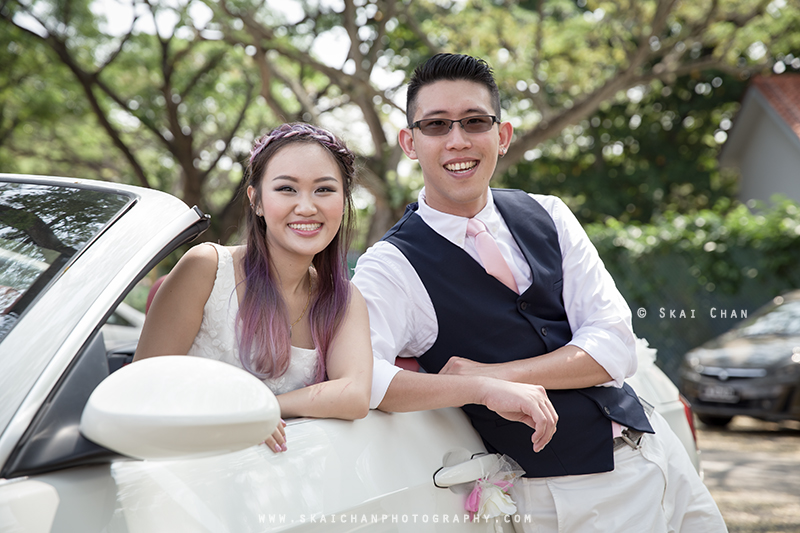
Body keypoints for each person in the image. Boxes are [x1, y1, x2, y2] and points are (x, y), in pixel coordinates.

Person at [352, 53, 726, 531]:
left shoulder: (548, 212)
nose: (458, 140)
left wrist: (494, 376)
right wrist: (480, 391)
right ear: (410, 142)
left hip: (658, 452)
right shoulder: (391, 264)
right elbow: (367, 379)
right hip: (567, 494)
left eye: (474, 121)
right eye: (436, 125)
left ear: (502, 136)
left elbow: (614, 343)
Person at [135, 123, 372, 453]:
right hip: (185, 469)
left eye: (324, 190)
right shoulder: (206, 267)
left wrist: (264, 406)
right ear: (256, 200)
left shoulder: (344, 299)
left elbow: (354, 396)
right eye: (287, 189)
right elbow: (140, 388)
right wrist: (232, 408)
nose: (306, 207)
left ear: (344, 203)